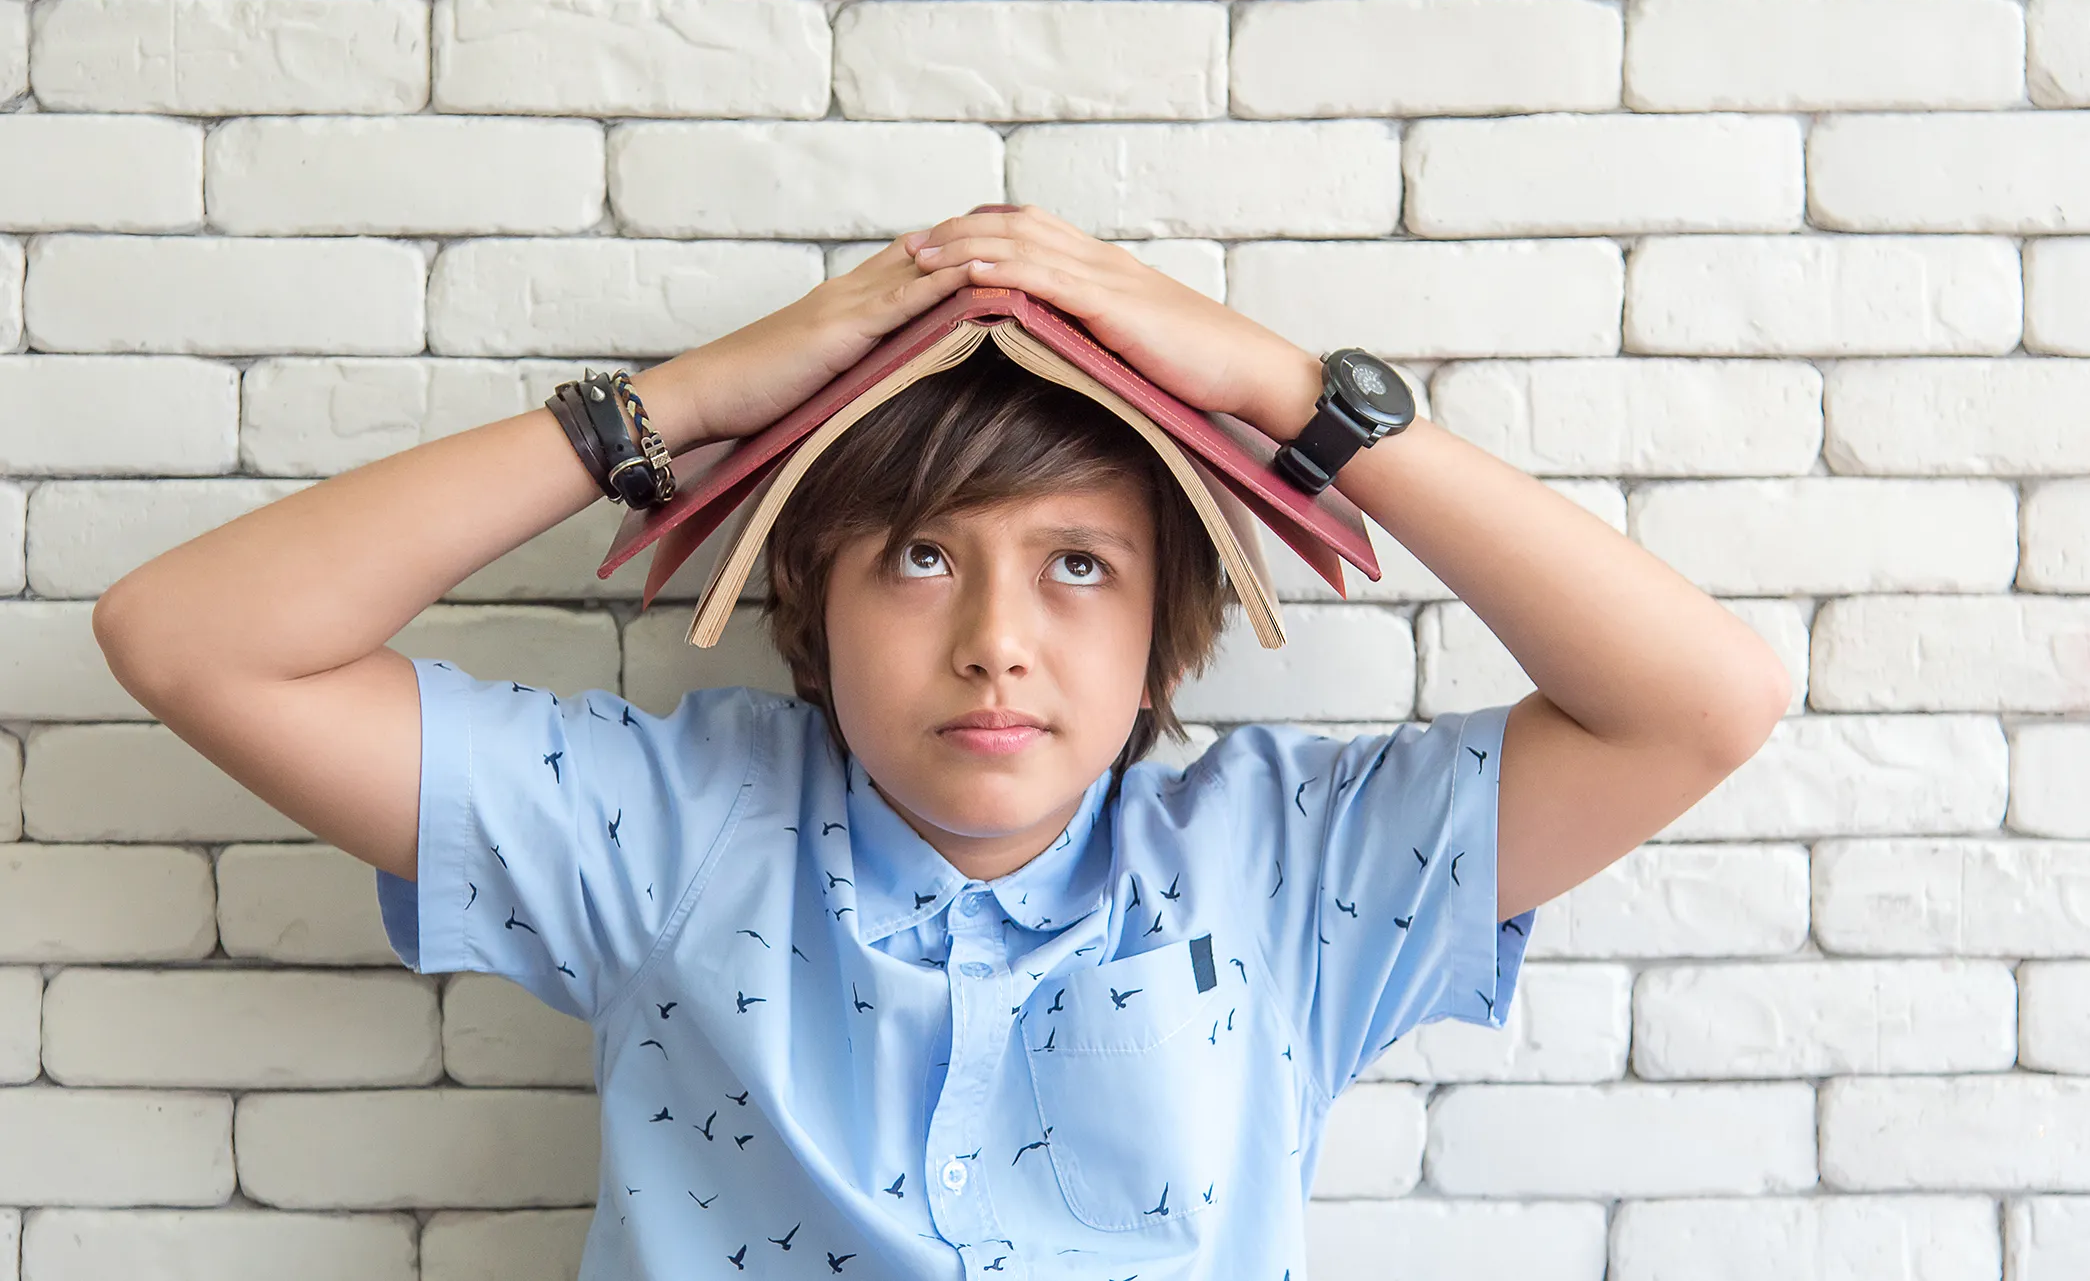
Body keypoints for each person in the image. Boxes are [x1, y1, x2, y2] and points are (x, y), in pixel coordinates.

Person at [92, 203, 1791, 1279]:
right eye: (921, 558)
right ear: (812, 603)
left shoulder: (1292, 871)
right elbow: (189, 641)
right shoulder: (669, 829)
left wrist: (1294, 397)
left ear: (1159, 632)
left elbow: (1703, 703)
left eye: (1078, 567)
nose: (995, 641)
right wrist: (683, 401)